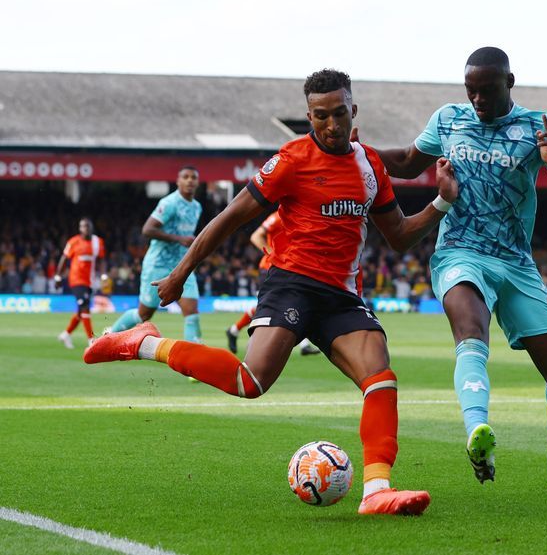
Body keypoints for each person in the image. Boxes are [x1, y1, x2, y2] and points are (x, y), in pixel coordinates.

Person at [85, 68, 458, 516]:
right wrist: (182, 272)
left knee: (381, 377)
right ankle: (142, 342)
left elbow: (398, 235)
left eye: (340, 114)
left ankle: (376, 490)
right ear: (309, 117)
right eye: (321, 116)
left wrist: (442, 203)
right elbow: (230, 217)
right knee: (250, 381)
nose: (332, 125)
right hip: (292, 284)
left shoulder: (369, 164)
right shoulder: (290, 161)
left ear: (353, 111)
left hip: (341, 294)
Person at [358, 47, 547, 493]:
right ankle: (477, 432)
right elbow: (409, 161)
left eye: (486, 90)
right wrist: (355, 151)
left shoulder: (538, 126)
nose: (478, 100)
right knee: (470, 329)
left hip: (516, 262)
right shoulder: (448, 119)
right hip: (459, 252)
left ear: (510, 82)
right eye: (471, 91)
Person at [107, 167, 203, 341]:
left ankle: (194, 359)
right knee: (144, 314)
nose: (190, 180)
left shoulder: (197, 207)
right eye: (186, 177)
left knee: (192, 312)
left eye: (193, 177)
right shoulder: (169, 203)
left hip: (182, 265)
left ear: (197, 182)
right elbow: (147, 229)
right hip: (158, 264)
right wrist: (179, 238)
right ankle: (107, 338)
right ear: (178, 181)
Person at [225, 211, 319, 355]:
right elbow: (256, 236)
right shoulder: (278, 217)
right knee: (272, 306)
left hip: (288, 268)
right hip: (271, 269)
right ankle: (236, 331)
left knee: (293, 302)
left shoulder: (299, 216)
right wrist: (273, 254)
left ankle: (235, 330)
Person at [55, 217, 106, 349]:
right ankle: (91, 340)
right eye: (83, 226)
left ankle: (66, 334)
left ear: (91, 228)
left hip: (90, 281)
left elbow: (101, 260)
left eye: (88, 226)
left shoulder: (97, 242)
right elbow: (63, 259)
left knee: (81, 312)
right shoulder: (73, 242)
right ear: (80, 228)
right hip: (76, 280)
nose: (86, 228)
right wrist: (58, 277)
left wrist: (103, 275)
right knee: (85, 307)